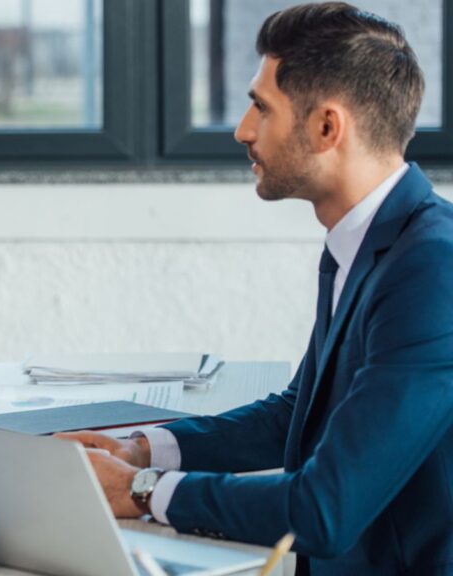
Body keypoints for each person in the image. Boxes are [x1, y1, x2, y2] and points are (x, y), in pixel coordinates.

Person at [59, 4, 453, 574]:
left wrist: (141, 490)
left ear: (327, 127)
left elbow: (325, 509)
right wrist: (140, 450)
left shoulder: (431, 269)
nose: (243, 129)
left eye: (262, 108)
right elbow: (297, 414)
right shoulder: (367, 240)